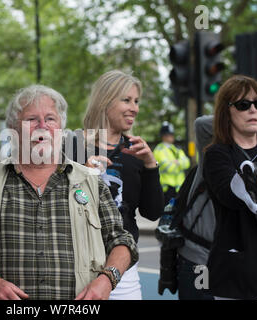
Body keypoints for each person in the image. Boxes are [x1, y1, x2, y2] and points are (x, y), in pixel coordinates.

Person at [0, 84, 138, 300]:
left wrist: (107, 280)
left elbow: (121, 240)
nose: (42, 126)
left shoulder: (92, 183)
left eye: (50, 119)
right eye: (32, 119)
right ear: (13, 128)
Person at [82, 70, 163, 299]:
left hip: (124, 270)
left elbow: (152, 211)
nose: (134, 108)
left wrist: (150, 165)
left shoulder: (137, 151)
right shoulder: (73, 145)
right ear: (105, 101)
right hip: (80, 266)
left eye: (136, 101)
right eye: (126, 100)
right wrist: (81, 172)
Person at [203, 74, 257, 300]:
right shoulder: (217, 155)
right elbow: (235, 196)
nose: (253, 110)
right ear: (227, 112)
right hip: (240, 277)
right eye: (244, 105)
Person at [175, 115, 215, 300]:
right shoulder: (214, 152)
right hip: (202, 258)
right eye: (243, 106)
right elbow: (202, 124)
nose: (252, 111)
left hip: (240, 264)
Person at [153, 121, 190, 206]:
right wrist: (180, 163)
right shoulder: (159, 150)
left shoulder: (176, 149)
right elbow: (168, 168)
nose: (171, 137)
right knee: (168, 215)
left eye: (171, 134)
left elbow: (187, 163)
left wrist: (176, 163)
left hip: (179, 188)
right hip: (167, 189)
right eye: (168, 135)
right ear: (163, 136)